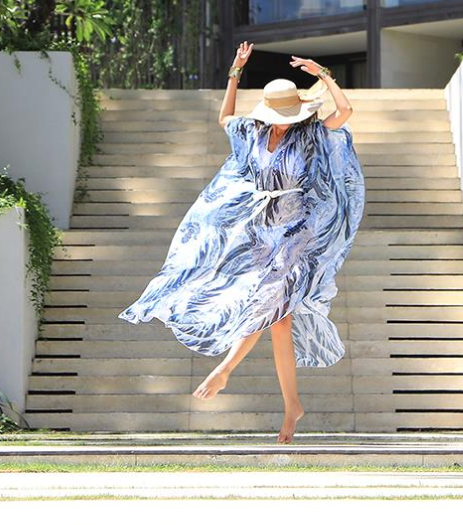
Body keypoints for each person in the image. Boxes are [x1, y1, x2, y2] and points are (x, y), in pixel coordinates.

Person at [120, 42, 365, 442]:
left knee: (269, 305)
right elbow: (224, 118)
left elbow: (346, 112)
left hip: (298, 231)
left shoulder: (309, 135)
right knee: (278, 320)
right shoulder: (253, 133)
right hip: (261, 230)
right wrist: (235, 71)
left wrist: (322, 73)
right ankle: (292, 408)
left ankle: (226, 370)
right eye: (279, 114)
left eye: (289, 113)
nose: (284, 120)